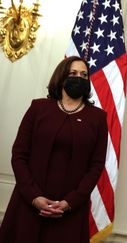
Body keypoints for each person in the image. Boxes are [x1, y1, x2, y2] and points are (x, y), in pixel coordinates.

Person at [0, 56, 108, 243]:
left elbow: (96, 165)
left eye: (84, 75)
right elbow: (19, 154)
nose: (79, 78)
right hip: (28, 203)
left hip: (70, 211)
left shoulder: (97, 118)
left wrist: (70, 202)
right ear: (61, 76)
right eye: (73, 73)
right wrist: (33, 196)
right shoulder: (38, 108)